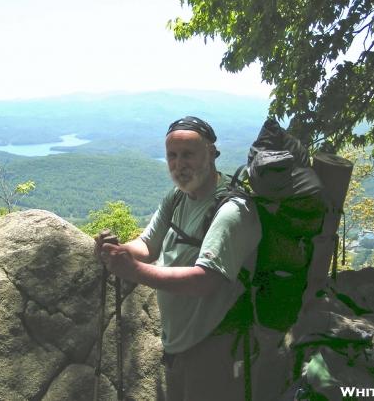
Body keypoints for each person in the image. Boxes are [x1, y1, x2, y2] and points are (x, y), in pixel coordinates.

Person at [94, 116, 261, 401]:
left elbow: (205, 281)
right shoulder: (178, 197)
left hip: (216, 344)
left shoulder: (231, 212)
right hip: (178, 342)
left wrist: (133, 271)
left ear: (211, 154)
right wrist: (118, 250)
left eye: (188, 155)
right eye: (172, 155)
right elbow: (148, 244)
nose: (179, 164)